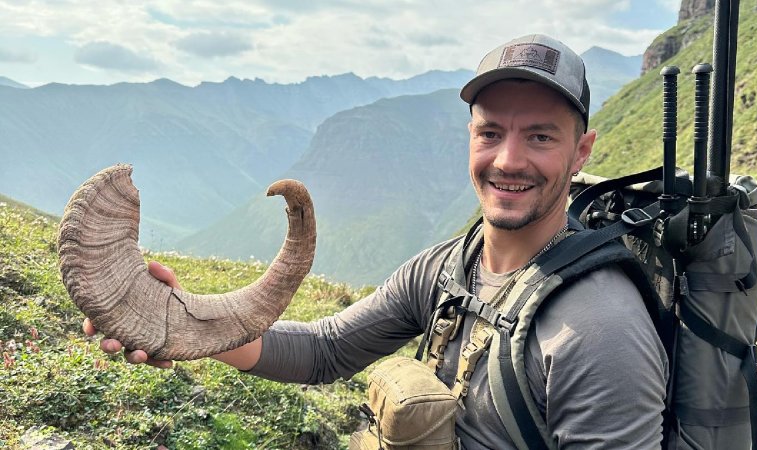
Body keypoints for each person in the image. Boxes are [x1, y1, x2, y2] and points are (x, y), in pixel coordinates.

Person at [85, 34, 668, 448]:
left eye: (540, 136)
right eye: (491, 132)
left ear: (582, 151)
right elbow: (326, 349)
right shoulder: (447, 270)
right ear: (470, 138)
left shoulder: (600, 330)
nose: (508, 160)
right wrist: (185, 320)